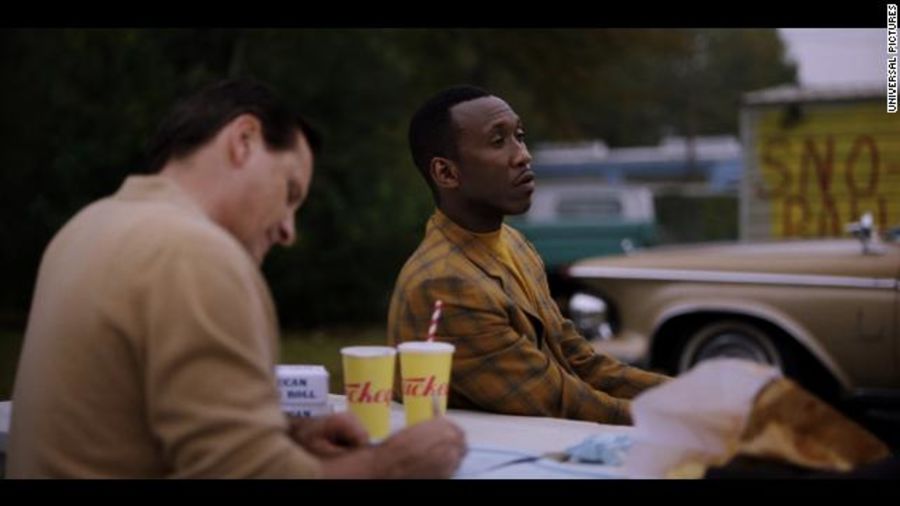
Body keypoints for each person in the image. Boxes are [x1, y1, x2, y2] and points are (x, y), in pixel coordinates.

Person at [8, 78, 465, 478]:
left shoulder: (86, 227)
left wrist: (277, 433)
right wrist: (390, 466)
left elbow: (125, 422)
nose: (288, 231)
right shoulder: (195, 254)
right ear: (244, 140)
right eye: (290, 192)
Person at [388, 85, 669, 425]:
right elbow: (559, 400)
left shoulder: (514, 243)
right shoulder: (445, 284)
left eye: (519, 137)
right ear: (446, 173)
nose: (522, 155)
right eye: (498, 141)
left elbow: (578, 359)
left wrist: (685, 393)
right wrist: (681, 416)